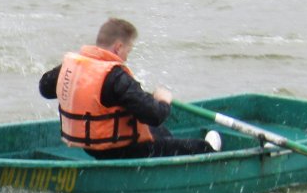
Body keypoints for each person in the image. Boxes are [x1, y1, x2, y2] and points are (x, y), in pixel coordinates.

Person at [39, 17, 219, 159]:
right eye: (128, 50)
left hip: (89, 147)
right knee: (199, 147)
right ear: (118, 47)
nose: (126, 57)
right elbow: (155, 115)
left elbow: (45, 89)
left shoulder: (71, 67)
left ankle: (169, 152)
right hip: (121, 150)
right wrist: (164, 100)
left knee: (160, 133)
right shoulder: (116, 76)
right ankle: (210, 152)